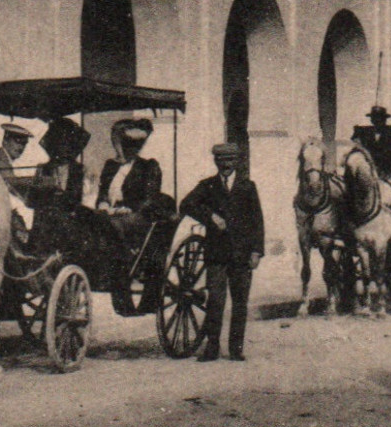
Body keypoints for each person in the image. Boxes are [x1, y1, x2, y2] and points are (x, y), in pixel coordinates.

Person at [181, 143, 265, 362]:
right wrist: (210, 217)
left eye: (230, 161)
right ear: (215, 162)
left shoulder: (248, 187)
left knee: (240, 303)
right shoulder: (207, 186)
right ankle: (212, 347)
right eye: (221, 161)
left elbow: (257, 221)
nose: (226, 165)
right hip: (217, 254)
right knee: (216, 301)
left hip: (242, 254)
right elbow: (186, 204)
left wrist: (256, 251)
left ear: (236, 162)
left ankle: (236, 349)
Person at [96, 118, 171, 260]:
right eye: (118, 145)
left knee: (114, 225)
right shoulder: (110, 166)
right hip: (110, 213)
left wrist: (128, 208)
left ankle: (122, 263)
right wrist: (103, 203)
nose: (121, 150)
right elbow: (103, 192)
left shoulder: (148, 166)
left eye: (126, 146)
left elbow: (150, 198)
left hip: (137, 215)